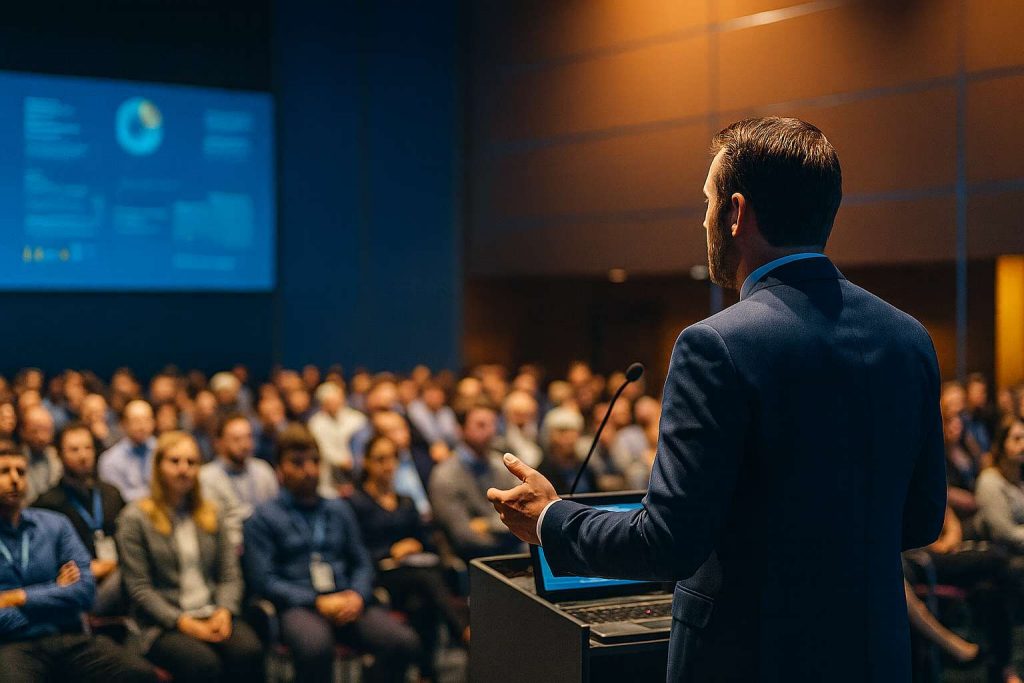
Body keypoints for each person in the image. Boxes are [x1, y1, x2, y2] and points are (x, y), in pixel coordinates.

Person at [486, 117, 946, 681]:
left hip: (748, 659)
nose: (701, 218)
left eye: (705, 201)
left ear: (735, 212)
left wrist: (551, 519)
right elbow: (922, 521)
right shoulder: (908, 339)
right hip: (873, 657)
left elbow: (668, 544)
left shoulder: (717, 346)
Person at [243, 423, 420, 683]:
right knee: (315, 648)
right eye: (298, 463)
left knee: (403, 642)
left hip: (346, 598)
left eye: (315, 461)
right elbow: (264, 580)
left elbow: (361, 561)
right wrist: (316, 601)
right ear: (280, 469)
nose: (310, 470)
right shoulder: (263, 518)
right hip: (299, 605)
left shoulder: (338, 509)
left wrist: (358, 594)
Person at [0, 442, 157, 683]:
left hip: (68, 637)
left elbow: (85, 591)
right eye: (4, 472)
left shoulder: (54, 524)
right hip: (12, 645)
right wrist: (55, 594)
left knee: (139, 674)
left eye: (20, 472)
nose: (14, 479)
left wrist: (18, 597)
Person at [116, 431, 263, 683]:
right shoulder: (136, 518)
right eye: (175, 461)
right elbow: (139, 589)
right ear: (158, 466)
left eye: (191, 462)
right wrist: (182, 622)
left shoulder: (211, 513)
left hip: (211, 611)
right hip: (161, 624)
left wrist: (225, 611)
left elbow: (230, 574)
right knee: (204, 665)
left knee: (248, 651)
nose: (184, 469)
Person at [349, 434, 469, 682]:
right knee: (426, 579)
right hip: (380, 574)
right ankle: (464, 632)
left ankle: (426, 673)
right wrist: (391, 552)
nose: (387, 465)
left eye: (392, 458)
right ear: (367, 463)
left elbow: (427, 542)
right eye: (380, 459)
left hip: (414, 574)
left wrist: (415, 546)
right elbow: (356, 551)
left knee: (424, 598)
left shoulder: (406, 501)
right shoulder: (357, 503)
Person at [33, 423, 127, 616]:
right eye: (74, 450)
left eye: (88, 448)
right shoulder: (47, 505)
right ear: (59, 454)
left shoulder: (111, 494)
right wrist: (88, 570)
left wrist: (111, 565)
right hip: (78, 587)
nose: (83, 456)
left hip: (118, 576)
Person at [428, 402, 522, 561]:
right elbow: (464, 536)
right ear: (460, 430)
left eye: (493, 424)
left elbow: (522, 517)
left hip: (514, 552)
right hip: (474, 561)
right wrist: (510, 534)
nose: (490, 431)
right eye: (481, 425)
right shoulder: (444, 475)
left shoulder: (502, 466)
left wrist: (487, 525)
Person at [198, 414, 278, 549]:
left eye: (248, 437)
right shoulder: (206, 477)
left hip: (266, 544)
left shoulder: (263, 470)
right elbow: (212, 525)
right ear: (219, 442)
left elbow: (276, 514)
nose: (245, 444)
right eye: (236, 439)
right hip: (228, 546)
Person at [307, 382, 367, 497]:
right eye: (328, 401)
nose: (333, 404)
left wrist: (354, 461)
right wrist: (342, 461)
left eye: (336, 399)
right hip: (329, 480)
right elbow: (321, 448)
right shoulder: (315, 423)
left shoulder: (357, 419)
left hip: (356, 474)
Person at [974, 417, 1024, 551]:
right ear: (1002, 444)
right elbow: (1004, 533)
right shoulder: (989, 481)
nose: (1023, 445)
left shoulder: (1020, 477)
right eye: (1017, 439)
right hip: (1001, 554)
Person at [98, 400, 157, 502]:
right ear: (124, 424)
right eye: (136, 421)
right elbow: (116, 497)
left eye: (146, 420)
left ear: (153, 423)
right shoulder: (110, 459)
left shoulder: (163, 451)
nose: (142, 426)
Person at [19, 405, 61, 505]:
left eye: (46, 430)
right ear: (23, 431)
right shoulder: (15, 461)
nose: (41, 437)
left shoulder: (60, 459)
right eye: (35, 431)